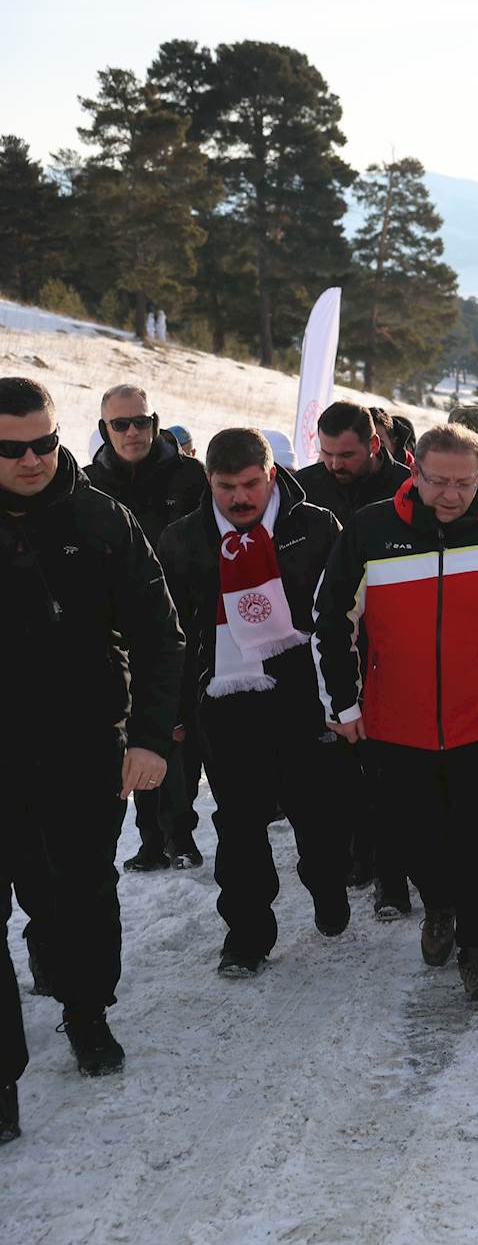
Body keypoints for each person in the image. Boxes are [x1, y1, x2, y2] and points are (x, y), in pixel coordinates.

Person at [313, 424, 478, 1006]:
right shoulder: (370, 531)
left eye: (464, 483)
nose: (451, 495)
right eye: (438, 481)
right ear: (414, 471)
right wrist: (342, 703)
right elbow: (331, 620)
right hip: (397, 720)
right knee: (413, 835)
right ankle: (439, 905)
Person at [1, 376, 184, 1114]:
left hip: (83, 745)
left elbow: (161, 635)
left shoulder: (102, 519)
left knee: (78, 891)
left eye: (43, 442)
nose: (31, 459)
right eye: (11, 449)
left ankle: (87, 1013)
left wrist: (150, 739)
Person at [155, 428, 351, 976]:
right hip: (226, 698)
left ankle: (327, 884)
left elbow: (342, 615)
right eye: (225, 487)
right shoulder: (184, 539)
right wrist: (172, 711)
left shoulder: (314, 526)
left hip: (304, 692)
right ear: (208, 482)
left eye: (249, 485)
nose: (240, 498)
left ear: (271, 476)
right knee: (239, 822)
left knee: (320, 813)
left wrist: (346, 694)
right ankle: (246, 934)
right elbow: (169, 633)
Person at [295, 399, 415, 901]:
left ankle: (393, 874)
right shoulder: (304, 487)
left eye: (346, 455)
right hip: (327, 640)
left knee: (389, 767)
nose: (334, 464)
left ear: (373, 445)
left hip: (394, 643)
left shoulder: (408, 488)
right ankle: (355, 854)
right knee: (339, 763)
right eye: (326, 453)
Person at [85, 384, 208, 872]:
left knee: (178, 733)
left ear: (155, 423)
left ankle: (180, 833)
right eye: (121, 424)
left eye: (141, 421)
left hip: (184, 624)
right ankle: (151, 839)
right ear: (105, 430)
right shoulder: (88, 485)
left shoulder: (189, 476)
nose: (133, 432)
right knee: (134, 733)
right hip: (117, 632)